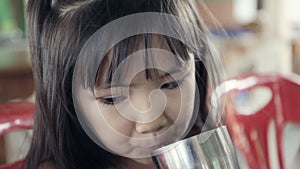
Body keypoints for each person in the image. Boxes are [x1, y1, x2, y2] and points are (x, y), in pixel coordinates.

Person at [25, 0, 222, 168]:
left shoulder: (204, 152)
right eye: (113, 98)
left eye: (170, 84)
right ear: (68, 101)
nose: (151, 122)